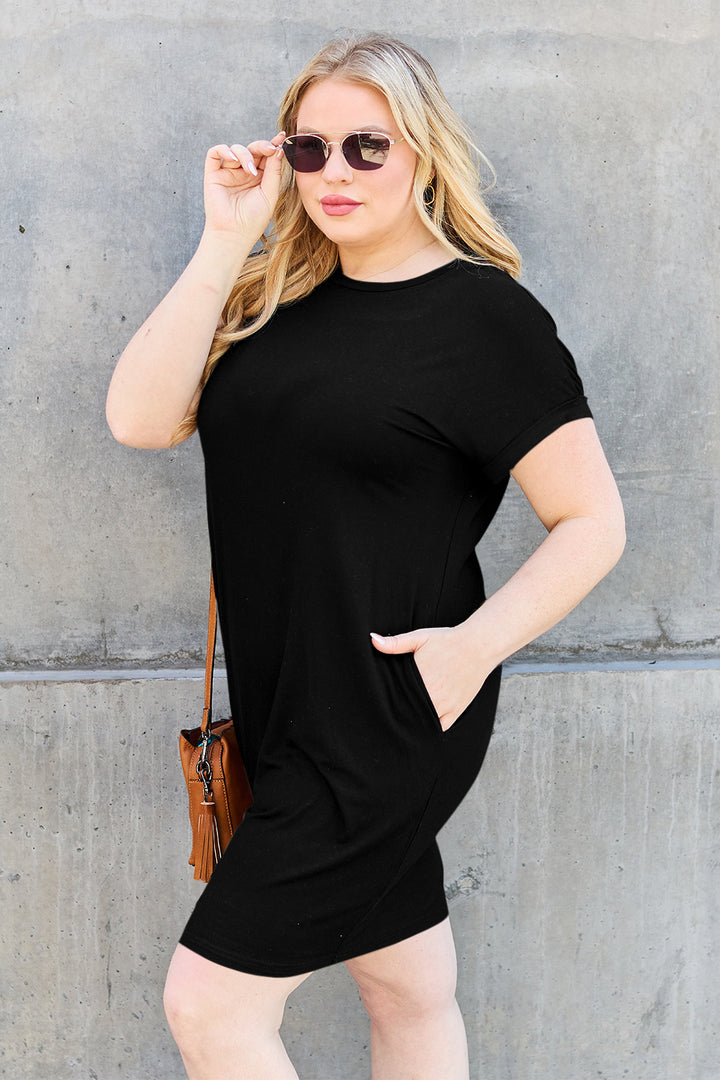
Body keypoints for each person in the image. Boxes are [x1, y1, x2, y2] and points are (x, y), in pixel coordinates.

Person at [106, 31, 625, 1080]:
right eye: (309, 151)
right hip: (286, 700)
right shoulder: (276, 303)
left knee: (209, 1008)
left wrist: (471, 651)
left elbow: (595, 522)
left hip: (389, 711)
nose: (333, 174)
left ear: (422, 154)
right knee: (406, 986)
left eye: (365, 148)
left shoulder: (486, 321)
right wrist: (223, 240)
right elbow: (139, 419)